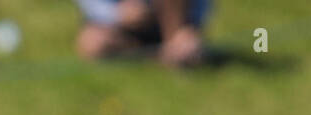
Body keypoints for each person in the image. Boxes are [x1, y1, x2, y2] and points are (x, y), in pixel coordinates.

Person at [74, 0, 210, 67]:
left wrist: (190, 26)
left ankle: (177, 44)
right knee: (93, 43)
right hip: (122, 27)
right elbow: (92, 5)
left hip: (168, 22)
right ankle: (161, 54)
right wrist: (118, 15)